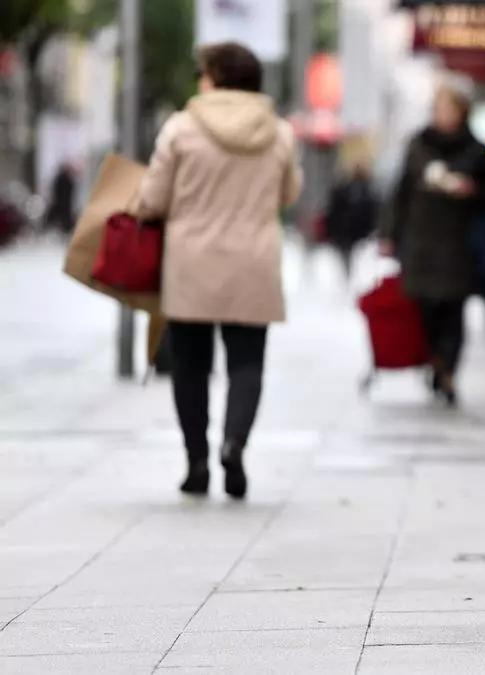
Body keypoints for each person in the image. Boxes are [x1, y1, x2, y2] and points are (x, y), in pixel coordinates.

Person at [135, 42, 302, 499]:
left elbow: (153, 199)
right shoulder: (279, 133)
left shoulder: (181, 128)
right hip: (254, 259)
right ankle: (234, 444)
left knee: (190, 365)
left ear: (215, 78)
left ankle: (196, 463)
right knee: (247, 363)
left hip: (191, 261)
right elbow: (289, 194)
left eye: (202, 72)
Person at [384, 84, 485, 406]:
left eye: (450, 109)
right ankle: (434, 359)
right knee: (425, 307)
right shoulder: (418, 145)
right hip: (420, 241)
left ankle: (447, 368)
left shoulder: (477, 150)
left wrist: (471, 190)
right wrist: (389, 234)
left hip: (458, 242)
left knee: (453, 309)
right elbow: (400, 192)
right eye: (439, 109)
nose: (444, 116)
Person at [326, 163, 377, 281]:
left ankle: (349, 280)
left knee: (350, 263)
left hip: (348, 234)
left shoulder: (344, 189)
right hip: (355, 234)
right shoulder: (368, 191)